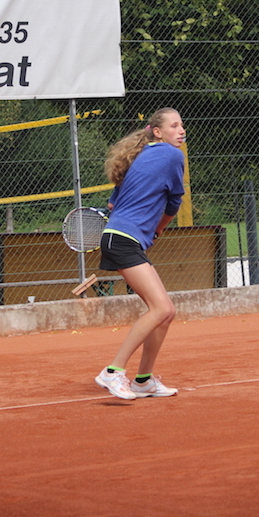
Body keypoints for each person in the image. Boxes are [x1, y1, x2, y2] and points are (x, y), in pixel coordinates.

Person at [94, 108, 186, 400]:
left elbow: (113, 204)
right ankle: (112, 371)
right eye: (174, 126)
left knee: (166, 313)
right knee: (161, 309)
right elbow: (174, 203)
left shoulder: (138, 157)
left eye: (182, 125)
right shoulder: (172, 156)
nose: (181, 130)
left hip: (121, 237)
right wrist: (158, 228)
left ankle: (143, 380)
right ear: (157, 132)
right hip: (123, 239)